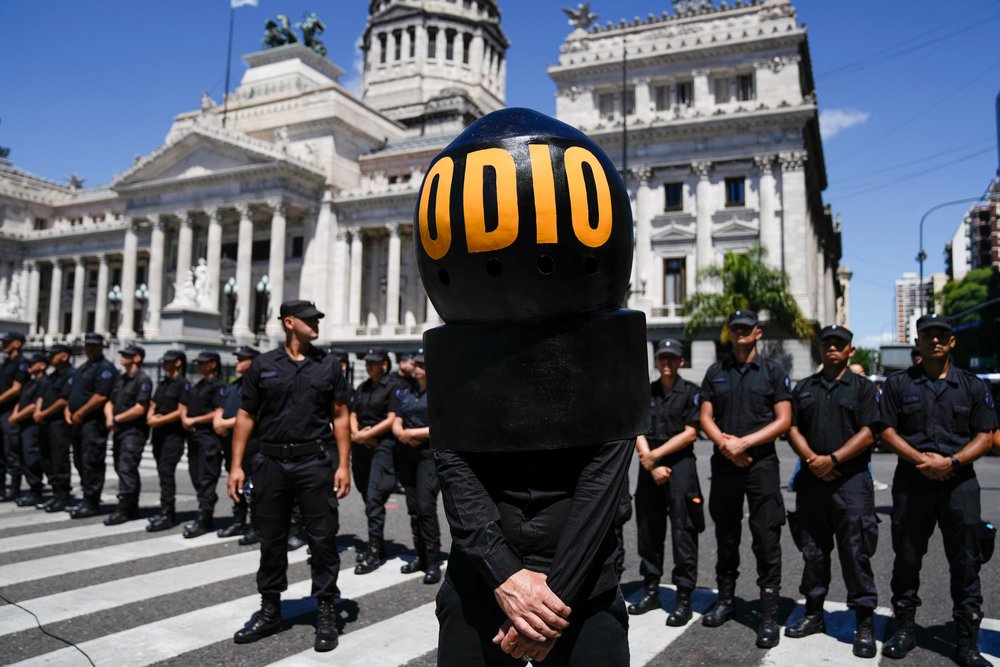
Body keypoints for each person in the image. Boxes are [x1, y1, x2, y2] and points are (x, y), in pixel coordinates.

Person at [227, 299, 351, 653]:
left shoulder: (328, 365)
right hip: (270, 462)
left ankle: (326, 609)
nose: (316, 325)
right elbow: (246, 415)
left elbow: (340, 415)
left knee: (323, 538)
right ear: (289, 322)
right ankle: (270, 611)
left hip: (314, 461)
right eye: (310, 320)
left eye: (318, 319)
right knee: (271, 537)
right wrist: (237, 465)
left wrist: (344, 464)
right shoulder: (263, 365)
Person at [879, 313, 997, 666]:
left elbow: (986, 435)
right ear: (917, 342)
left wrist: (952, 463)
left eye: (941, 335)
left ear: (951, 341)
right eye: (927, 335)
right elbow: (885, 430)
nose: (934, 340)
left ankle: (965, 642)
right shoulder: (899, 384)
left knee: (966, 564)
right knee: (907, 561)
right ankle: (904, 630)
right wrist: (922, 461)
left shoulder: (973, 385)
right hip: (912, 483)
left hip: (960, 484)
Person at [785, 325, 879, 659]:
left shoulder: (863, 388)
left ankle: (864, 622)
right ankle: (813, 613)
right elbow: (791, 427)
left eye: (840, 344)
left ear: (851, 350)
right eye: (827, 344)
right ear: (820, 349)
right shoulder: (805, 387)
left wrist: (834, 458)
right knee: (813, 552)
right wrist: (813, 459)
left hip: (851, 481)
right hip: (812, 480)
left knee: (856, 553)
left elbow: (870, 432)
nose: (833, 348)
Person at [699, 309, 792, 649]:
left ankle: (768, 613)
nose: (740, 333)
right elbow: (705, 416)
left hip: (761, 465)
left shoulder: (773, 372)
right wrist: (726, 443)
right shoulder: (715, 371)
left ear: (757, 333)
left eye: (745, 328)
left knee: (766, 538)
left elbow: (783, 420)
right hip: (725, 463)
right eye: (735, 328)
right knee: (725, 534)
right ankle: (726, 600)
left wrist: (745, 442)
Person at [628, 338, 703, 627]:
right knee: (649, 530)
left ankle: (683, 598)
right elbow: (637, 426)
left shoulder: (690, 392)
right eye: (662, 358)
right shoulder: (647, 392)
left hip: (680, 467)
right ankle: (651, 591)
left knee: (684, 533)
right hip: (650, 466)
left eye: (672, 358)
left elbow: (690, 433)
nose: (667, 363)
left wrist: (654, 457)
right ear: (656, 361)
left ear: (681, 361)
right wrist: (647, 459)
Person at [390, 352, 441, 584]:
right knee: (412, 508)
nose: (417, 367)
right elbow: (398, 420)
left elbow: (443, 427)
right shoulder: (407, 392)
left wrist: (413, 433)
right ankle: (419, 555)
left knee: (425, 506)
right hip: (407, 454)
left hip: (428, 455)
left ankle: (432, 560)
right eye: (416, 364)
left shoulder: (439, 393)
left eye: (422, 364)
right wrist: (402, 432)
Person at [349, 348, 398, 574]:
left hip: (381, 446)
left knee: (374, 497)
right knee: (364, 491)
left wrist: (367, 435)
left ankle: (374, 550)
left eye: (373, 363)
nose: (369, 366)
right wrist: (357, 434)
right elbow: (352, 413)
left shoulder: (391, 387)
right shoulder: (363, 387)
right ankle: (376, 544)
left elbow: (391, 419)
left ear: (384, 364)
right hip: (361, 446)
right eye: (367, 362)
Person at [64, 332, 117, 519]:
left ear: (101, 347)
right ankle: (87, 497)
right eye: (88, 346)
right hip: (79, 423)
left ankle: (92, 501)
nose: (90, 349)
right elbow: (72, 393)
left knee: (91, 461)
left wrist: (81, 412)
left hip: (93, 423)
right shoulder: (83, 367)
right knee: (79, 461)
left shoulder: (105, 368)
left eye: (94, 346)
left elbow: (101, 395)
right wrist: (69, 411)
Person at [214, 345, 260, 544]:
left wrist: (224, 423)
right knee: (236, 483)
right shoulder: (233, 385)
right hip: (230, 442)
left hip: (251, 443)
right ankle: (239, 520)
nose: (237, 362)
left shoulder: (258, 386)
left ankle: (256, 525)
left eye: (242, 359)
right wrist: (218, 422)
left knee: (253, 485)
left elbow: (253, 414)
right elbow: (221, 406)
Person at [103, 344, 152, 526]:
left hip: (134, 432)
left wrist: (116, 419)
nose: (122, 357)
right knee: (120, 466)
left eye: (127, 355)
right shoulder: (121, 379)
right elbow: (109, 401)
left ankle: (125, 508)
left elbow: (140, 408)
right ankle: (131, 505)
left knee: (127, 467)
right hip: (120, 430)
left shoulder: (143, 380)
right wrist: (111, 418)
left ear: (137, 358)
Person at [179, 351, 224, 538]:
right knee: (196, 476)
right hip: (194, 439)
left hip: (208, 439)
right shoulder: (199, 385)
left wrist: (194, 420)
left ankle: (204, 518)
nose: (199, 366)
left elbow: (217, 411)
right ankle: (206, 505)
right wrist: (185, 419)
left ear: (213, 364)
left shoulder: (217, 386)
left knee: (206, 479)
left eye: (203, 363)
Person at [146, 350, 188, 532]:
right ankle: (164, 510)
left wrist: (158, 420)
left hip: (173, 436)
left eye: (168, 362)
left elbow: (181, 411)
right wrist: (150, 416)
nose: (164, 365)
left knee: (166, 473)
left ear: (178, 363)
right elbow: (153, 404)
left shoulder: (183, 384)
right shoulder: (163, 384)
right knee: (162, 475)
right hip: (158, 436)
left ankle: (168, 514)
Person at [33, 343, 74, 512]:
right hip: (45, 423)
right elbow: (41, 395)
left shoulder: (70, 374)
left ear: (64, 356)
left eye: (54, 354)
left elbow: (64, 400)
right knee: (46, 458)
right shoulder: (51, 376)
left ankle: (63, 495)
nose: (50, 357)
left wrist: (44, 414)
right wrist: (38, 412)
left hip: (58, 423)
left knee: (59, 459)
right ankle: (55, 492)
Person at [10, 353, 48, 507]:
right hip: (23, 424)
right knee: (24, 457)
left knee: (32, 458)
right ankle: (33, 490)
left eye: (32, 363)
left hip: (33, 426)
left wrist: (16, 417)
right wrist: (15, 416)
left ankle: (36, 491)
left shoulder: (43, 382)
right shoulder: (30, 382)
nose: (29, 366)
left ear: (42, 365)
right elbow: (21, 402)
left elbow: (34, 405)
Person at [0, 331, 29, 501]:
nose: (3, 345)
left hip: (11, 411)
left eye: (7, 342)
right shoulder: (6, 362)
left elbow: (16, 388)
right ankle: (1, 486)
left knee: (11, 450)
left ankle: (15, 488)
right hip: (2, 410)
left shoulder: (21, 363)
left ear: (17, 344)